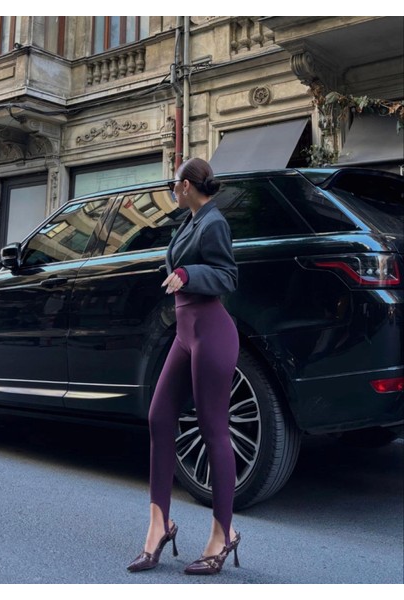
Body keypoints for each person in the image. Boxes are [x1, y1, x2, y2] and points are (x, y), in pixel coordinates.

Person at [127, 157, 240, 576]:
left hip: (211, 333)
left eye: (174, 184)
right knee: (159, 417)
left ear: (188, 185)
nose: (172, 190)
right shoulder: (191, 221)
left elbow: (227, 276)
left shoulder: (214, 223)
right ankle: (159, 525)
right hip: (185, 333)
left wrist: (188, 274)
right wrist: (179, 271)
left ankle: (223, 534)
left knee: (213, 429)